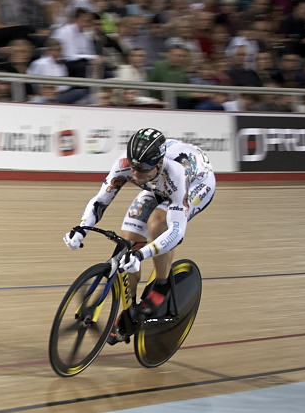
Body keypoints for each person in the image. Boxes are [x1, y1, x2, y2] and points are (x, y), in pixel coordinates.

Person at [62, 128, 215, 334]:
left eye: (142, 169)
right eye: (134, 167)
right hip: (156, 186)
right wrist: (81, 229)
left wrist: (142, 254)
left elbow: (176, 231)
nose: (135, 173)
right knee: (127, 243)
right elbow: (100, 201)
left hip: (197, 183)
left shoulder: (176, 173)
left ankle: (161, 285)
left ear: (159, 164)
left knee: (158, 225)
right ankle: (130, 311)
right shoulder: (126, 164)